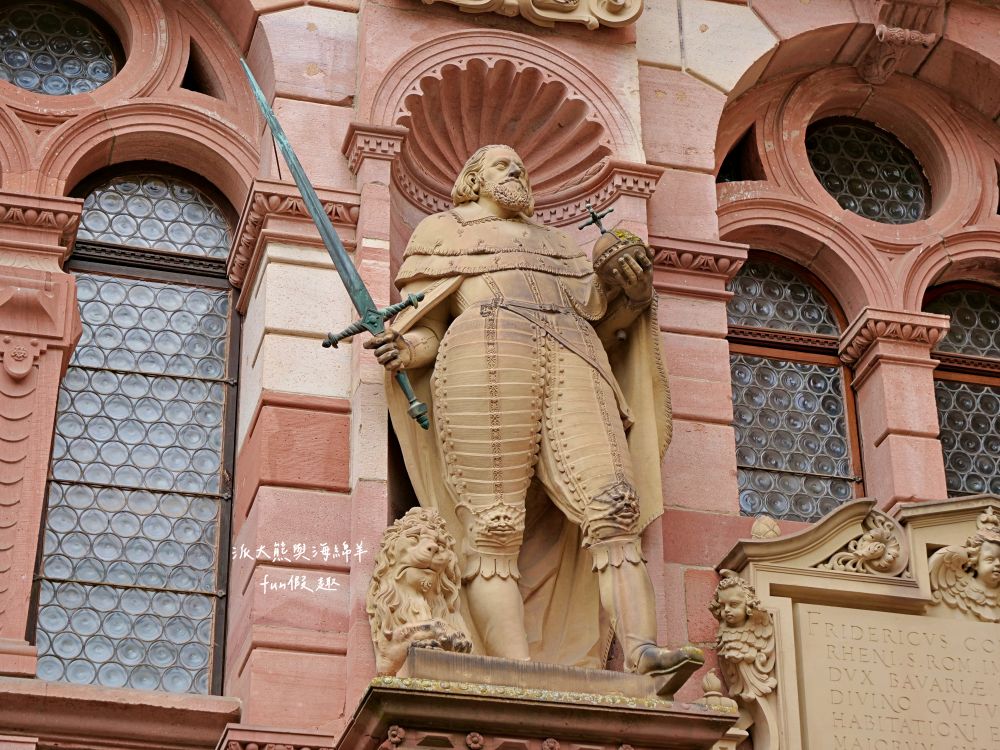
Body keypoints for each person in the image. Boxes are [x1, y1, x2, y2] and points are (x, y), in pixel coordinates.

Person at [367, 144, 696, 680]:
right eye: (501, 163)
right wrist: (402, 351)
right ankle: (513, 671)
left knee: (615, 505)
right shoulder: (440, 231)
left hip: (574, 352)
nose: (516, 169)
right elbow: (428, 324)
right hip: (484, 348)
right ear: (472, 177)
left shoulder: (559, 242)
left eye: (521, 164)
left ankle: (642, 651)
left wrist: (631, 291)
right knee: (494, 525)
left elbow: (605, 320)